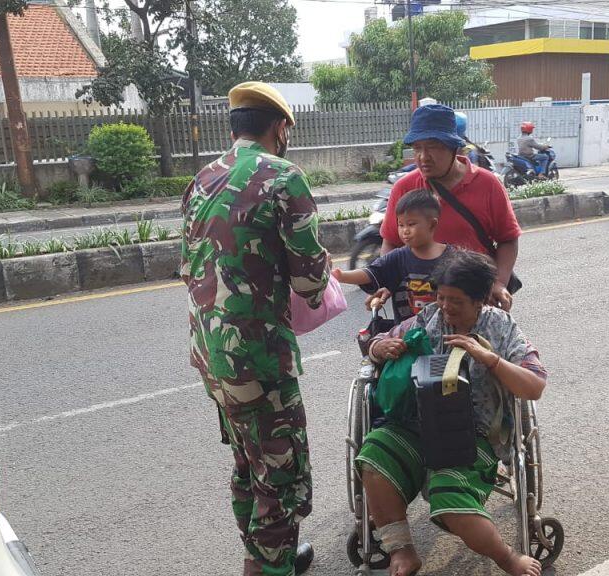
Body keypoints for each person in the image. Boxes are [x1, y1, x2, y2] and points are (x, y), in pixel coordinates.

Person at [181, 81, 329, 576]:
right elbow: (310, 277)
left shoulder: (202, 178)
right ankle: (267, 569)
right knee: (281, 478)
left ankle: (267, 557)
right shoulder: (284, 177)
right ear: (280, 127)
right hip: (259, 359)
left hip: (212, 359)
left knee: (248, 464)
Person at [357, 249, 547, 576]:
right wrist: (379, 347)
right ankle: (402, 551)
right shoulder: (428, 317)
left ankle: (508, 559)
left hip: (474, 436)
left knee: (449, 498)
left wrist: (489, 358)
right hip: (418, 425)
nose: (445, 307)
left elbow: (535, 386)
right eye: (441, 297)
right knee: (374, 453)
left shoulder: (500, 327)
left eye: (456, 301)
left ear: (479, 301)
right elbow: (376, 344)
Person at [380, 104, 521, 311]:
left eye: (433, 147)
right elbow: (390, 243)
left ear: (454, 148)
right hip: (420, 304)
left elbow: (508, 239)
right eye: (417, 148)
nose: (423, 156)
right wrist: (386, 281)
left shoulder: (488, 184)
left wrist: (499, 282)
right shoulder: (404, 187)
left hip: (474, 301)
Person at [333, 189, 450, 323]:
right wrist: (340, 276)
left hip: (444, 335)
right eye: (401, 225)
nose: (405, 231)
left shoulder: (453, 258)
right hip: (405, 338)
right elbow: (371, 273)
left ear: (432, 224)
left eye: (411, 224)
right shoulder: (398, 257)